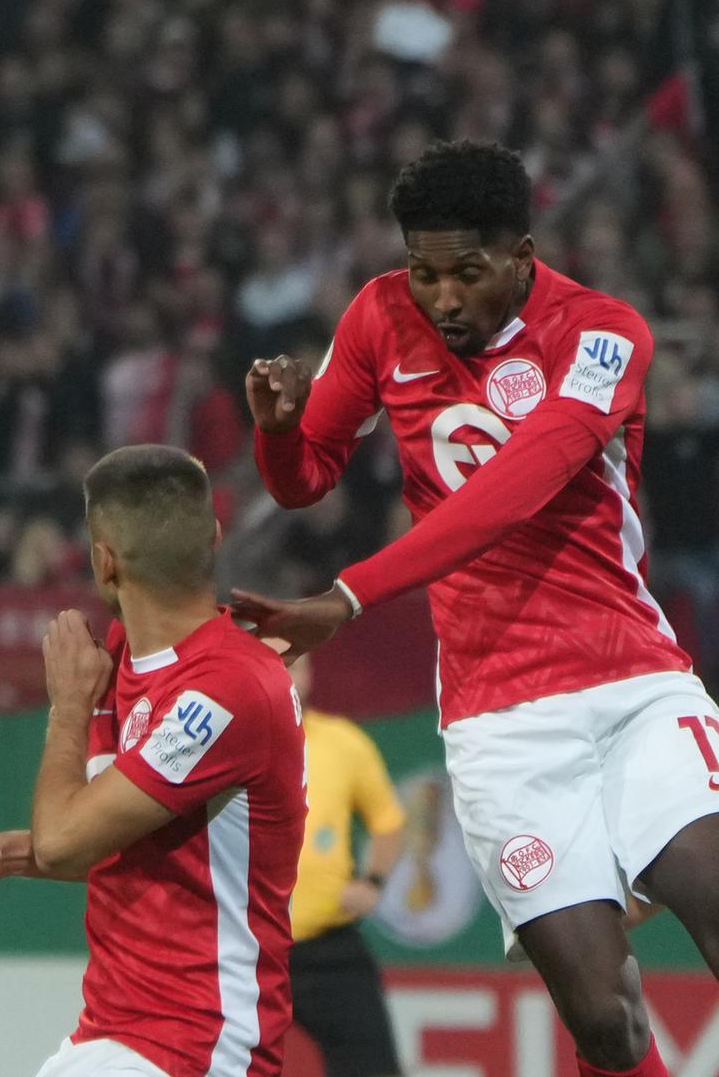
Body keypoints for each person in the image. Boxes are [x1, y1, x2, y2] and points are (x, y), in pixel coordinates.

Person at [234, 140, 719, 1077]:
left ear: (523, 256)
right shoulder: (379, 316)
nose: (443, 297)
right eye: (425, 271)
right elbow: (304, 482)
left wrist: (350, 594)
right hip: (499, 719)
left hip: (633, 684)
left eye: (467, 272)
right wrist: (279, 432)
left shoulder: (602, 332)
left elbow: (522, 486)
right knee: (606, 1028)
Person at [0, 444, 307, 1077]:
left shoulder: (228, 688)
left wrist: (68, 708)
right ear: (212, 535)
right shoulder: (123, 656)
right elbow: (126, 837)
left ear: (103, 562)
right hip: (114, 1033)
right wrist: (6, 853)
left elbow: (69, 841)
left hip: (197, 1043)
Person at [289, 657, 405, 1077]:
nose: (287, 673)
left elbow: (388, 821)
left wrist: (373, 881)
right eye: (275, 661)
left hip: (326, 946)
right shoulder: (225, 740)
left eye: (295, 663)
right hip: (238, 945)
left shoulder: (342, 742)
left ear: (310, 673)